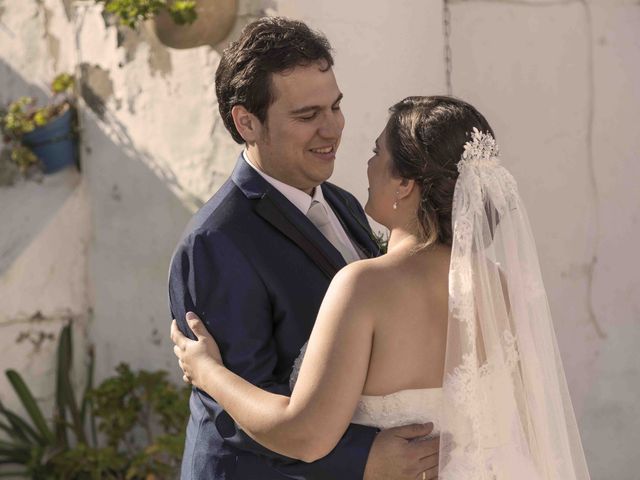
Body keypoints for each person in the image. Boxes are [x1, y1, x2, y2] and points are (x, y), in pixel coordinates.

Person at [171, 96, 592, 479]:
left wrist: (208, 373)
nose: (367, 164)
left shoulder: (364, 285)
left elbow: (304, 436)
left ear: (405, 184)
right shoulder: (492, 282)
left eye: (377, 152)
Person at [168, 17, 438, 480]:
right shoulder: (216, 242)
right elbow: (241, 410)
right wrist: (364, 457)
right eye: (307, 115)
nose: (332, 130)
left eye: (335, 107)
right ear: (246, 121)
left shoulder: (345, 203)